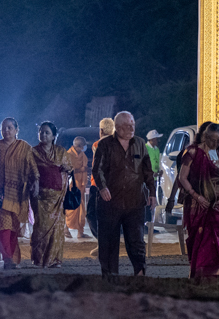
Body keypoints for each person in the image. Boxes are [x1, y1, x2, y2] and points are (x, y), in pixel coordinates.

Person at [92, 111, 156, 277]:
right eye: (127, 126)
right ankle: (109, 276)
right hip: (110, 202)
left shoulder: (140, 143)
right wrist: (103, 187)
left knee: (136, 240)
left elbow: (148, 170)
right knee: (108, 241)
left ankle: (140, 273)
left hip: (135, 202)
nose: (131, 128)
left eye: (133, 125)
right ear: (117, 128)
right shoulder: (105, 144)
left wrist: (152, 193)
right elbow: (97, 169)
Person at [179, 121, 219, 280]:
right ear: (205, 137)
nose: (215, 143)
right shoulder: (193, 152)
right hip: (199, 204)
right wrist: (196, 196)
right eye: (212, 140)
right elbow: (182, 178)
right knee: (200, 237)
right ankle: (200, 271)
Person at [0, 117, 38, 269]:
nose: (6, 131)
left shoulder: (24, 147)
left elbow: (33, 169)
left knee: (14, 228)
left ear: (17, 130)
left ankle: (11, 257)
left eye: (10, 128)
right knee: (3, 226)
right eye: (4, 128)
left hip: (19, 195)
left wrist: (35, 185)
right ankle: (7, 259)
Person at [31, 121, 74, 267]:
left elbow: (69, 169)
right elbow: (29, 171)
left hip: (58, 197)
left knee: (57, 229)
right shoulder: (33, 152)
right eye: (41, 132)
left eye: (47, 132)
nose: (43, 134)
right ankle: (40, 259)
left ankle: (55, 260)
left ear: (54, 136)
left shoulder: (61, 152)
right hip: (40, 197)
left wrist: (64, 168)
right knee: (41, 228)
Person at [86, 117, 114, 253]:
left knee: (92, 214)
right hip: (113, 185)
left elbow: (97, 168)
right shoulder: (118, 144)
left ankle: (102, 244)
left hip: (98, 185)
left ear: (101, 130)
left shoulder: (97, 144)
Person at [65, 136, 90, 238]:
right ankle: (65, 229)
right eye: (82, 146)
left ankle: (80, 231)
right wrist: (80, 169)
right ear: (78, 146)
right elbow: (67, 170)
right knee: (70, 208)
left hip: (81, 186)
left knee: (81, 208)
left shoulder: (82, 155)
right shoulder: (68, 155)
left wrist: (84, 169)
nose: (84, 148)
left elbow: (85, 168)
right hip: (71, 186)